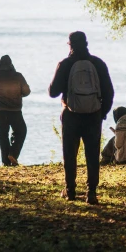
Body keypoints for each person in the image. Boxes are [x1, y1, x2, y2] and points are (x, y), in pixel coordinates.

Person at [49, 31, 114, 204]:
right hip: (93, 115)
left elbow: (53, 92)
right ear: (86, 43)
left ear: (70, 45)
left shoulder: (65, 64)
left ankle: (70, 191)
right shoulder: (98, 63)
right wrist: (102, 112)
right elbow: (109, 92)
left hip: (71, 115)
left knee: (69, 154)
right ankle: (91, 193)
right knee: (92, 155)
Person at [0, 55, 31, 167]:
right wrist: (19, 94)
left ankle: (6, 162)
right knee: (21, 131)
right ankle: (13, 153)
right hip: (16, 111)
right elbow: (27, 92)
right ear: (11, 65)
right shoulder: (18, 76)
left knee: (2, 135)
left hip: (0, 111)